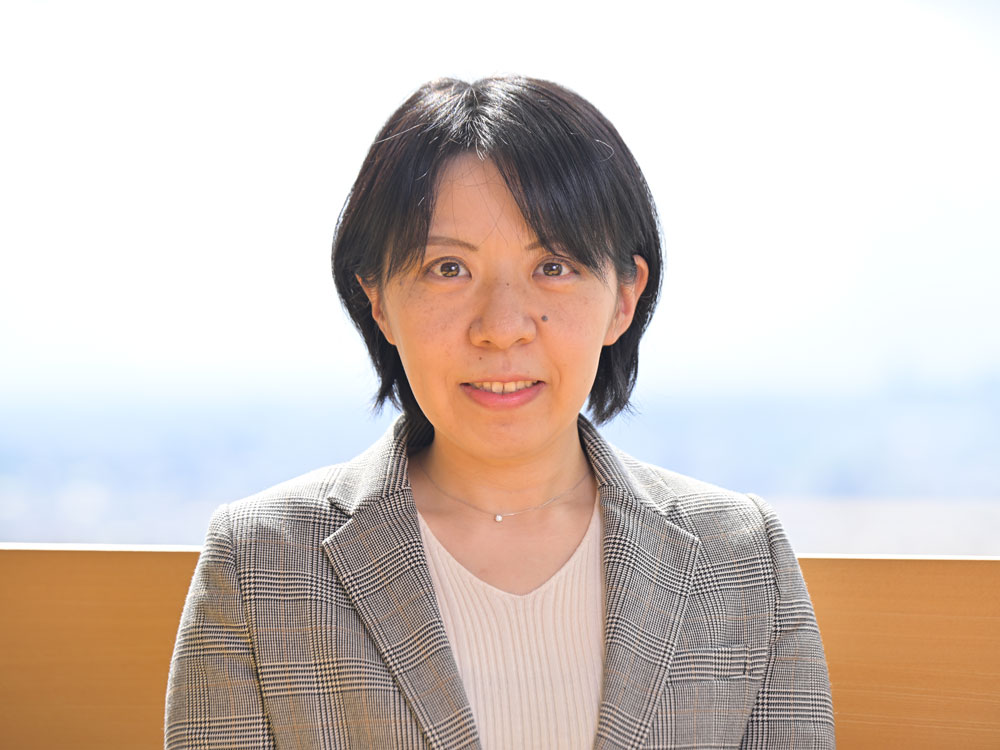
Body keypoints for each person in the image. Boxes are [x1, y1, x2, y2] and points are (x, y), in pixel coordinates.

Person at [166, 76, 835, 749]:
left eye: (554, 266)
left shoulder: (743, 558)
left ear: (624, 297)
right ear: (377, 299)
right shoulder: (260, 563)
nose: (503, 327)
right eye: (448, 269)